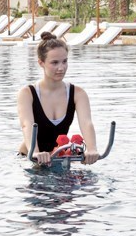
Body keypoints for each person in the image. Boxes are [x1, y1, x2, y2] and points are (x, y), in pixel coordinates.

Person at [17, 32, 100, 165]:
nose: (61, 68)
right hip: (28, 159)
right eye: (54, 63)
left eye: (64, 61)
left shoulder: (78, 93)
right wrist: (35, 152)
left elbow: (86, 123)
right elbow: (27, 125)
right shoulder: (27, 93)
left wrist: (92, 149)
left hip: (58, 157)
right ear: (41, 63)